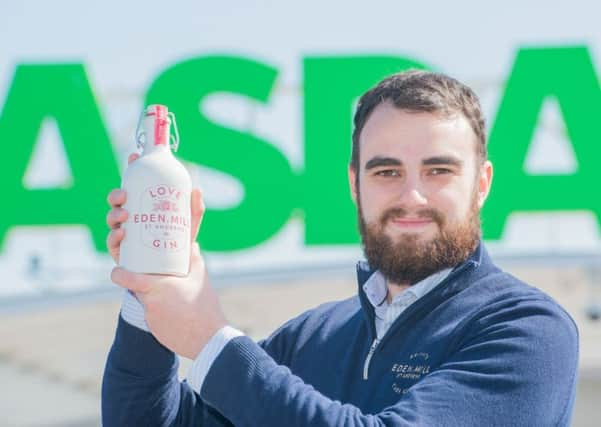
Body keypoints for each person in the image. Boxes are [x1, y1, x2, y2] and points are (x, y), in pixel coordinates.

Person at [102, 70, 579, 426]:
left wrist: (212, 340)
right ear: (355, 183)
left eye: (439, 171)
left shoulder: (529, 332)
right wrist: (151, 280)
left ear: (482, 184)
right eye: (386, 172)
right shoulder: (312, 338)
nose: (411, 196)